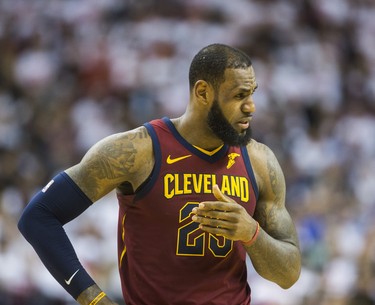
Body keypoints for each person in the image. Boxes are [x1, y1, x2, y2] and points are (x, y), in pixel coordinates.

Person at [18, 43, 301, 305]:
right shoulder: (136, 151)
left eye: (252, 94)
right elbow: (38, 216)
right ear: (203, 92)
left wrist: (251, 233)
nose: (251, 106)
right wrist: (94, 300)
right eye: (239, 95)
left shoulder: (260, 161)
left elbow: (288, 274)